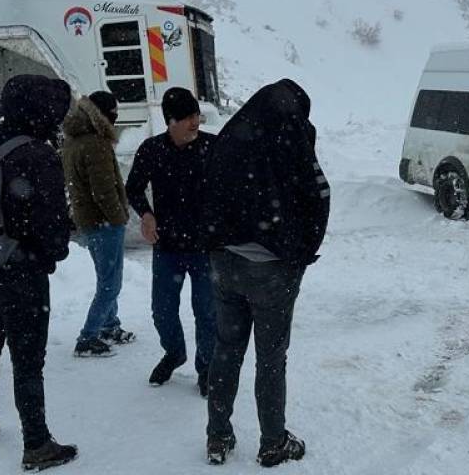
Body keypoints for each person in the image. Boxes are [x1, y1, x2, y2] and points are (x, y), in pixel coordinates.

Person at [199, 79, 330, 467]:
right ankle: (273, 441)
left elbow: (207, 193)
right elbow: (318, 198)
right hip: (273, 269)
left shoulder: (231, 136)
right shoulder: (292, 140)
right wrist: (299, 251)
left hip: (225, 262)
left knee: (226, 348)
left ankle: (217, 436)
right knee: (271, 358)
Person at [0, 74, 78, 471]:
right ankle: (37, 443)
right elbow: (50, 223)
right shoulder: (37, 153)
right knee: (28, 359)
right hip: (20, 267)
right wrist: (51, 253)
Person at [125, 87, 218, 393]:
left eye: (197, 116)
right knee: (162, 310)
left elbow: (235, 190)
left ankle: (207, 368)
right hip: (168, 248)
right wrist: (147, 215)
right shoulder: (152, 150)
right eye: (189, 117)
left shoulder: (213, 148)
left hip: (207, 248)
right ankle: (174, 352)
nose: (195, 122)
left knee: (207, 311)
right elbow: (134, 188)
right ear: (171, 121)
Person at [62, 91, 134, 358]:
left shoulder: (74, 140)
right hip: (103, 222)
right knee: (110, 282)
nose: (116, 116)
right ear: (103, 114)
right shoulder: (96, 144)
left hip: (88, 220)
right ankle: (88, 336)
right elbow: (103, 191)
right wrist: (119, 217)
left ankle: (109, 324)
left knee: (105, 275)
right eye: (113, 111)